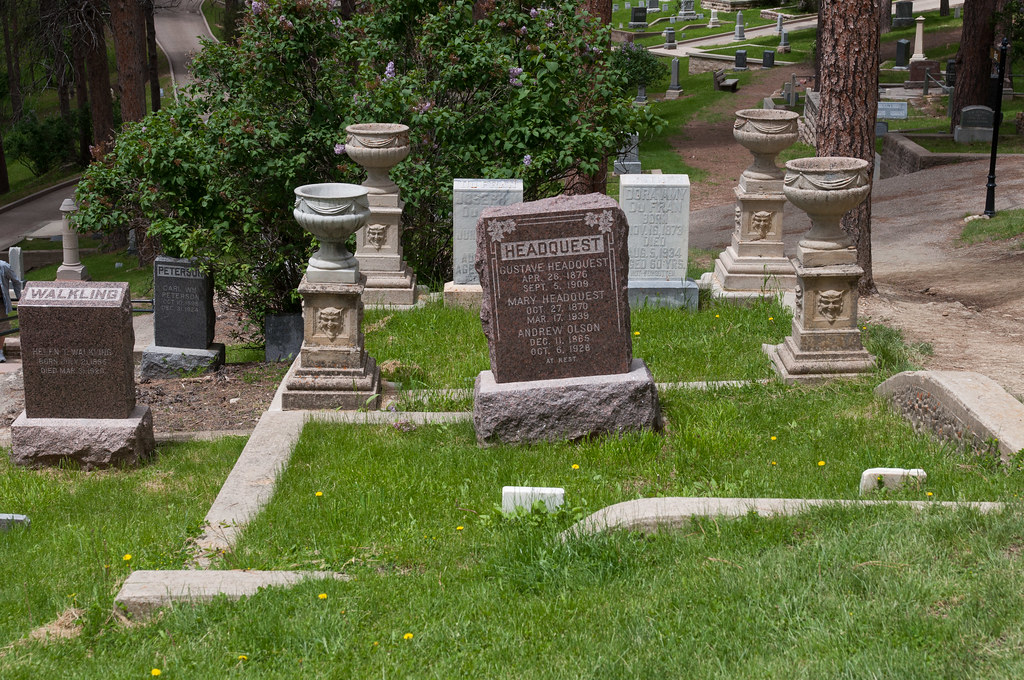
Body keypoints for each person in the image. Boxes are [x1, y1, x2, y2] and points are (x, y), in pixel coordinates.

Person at [0, 260, 22, 363]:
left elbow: (16, 281)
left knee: (1, 328)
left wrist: (20, 299)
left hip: (0, 303)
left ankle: (0, 352)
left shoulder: (4, 267)